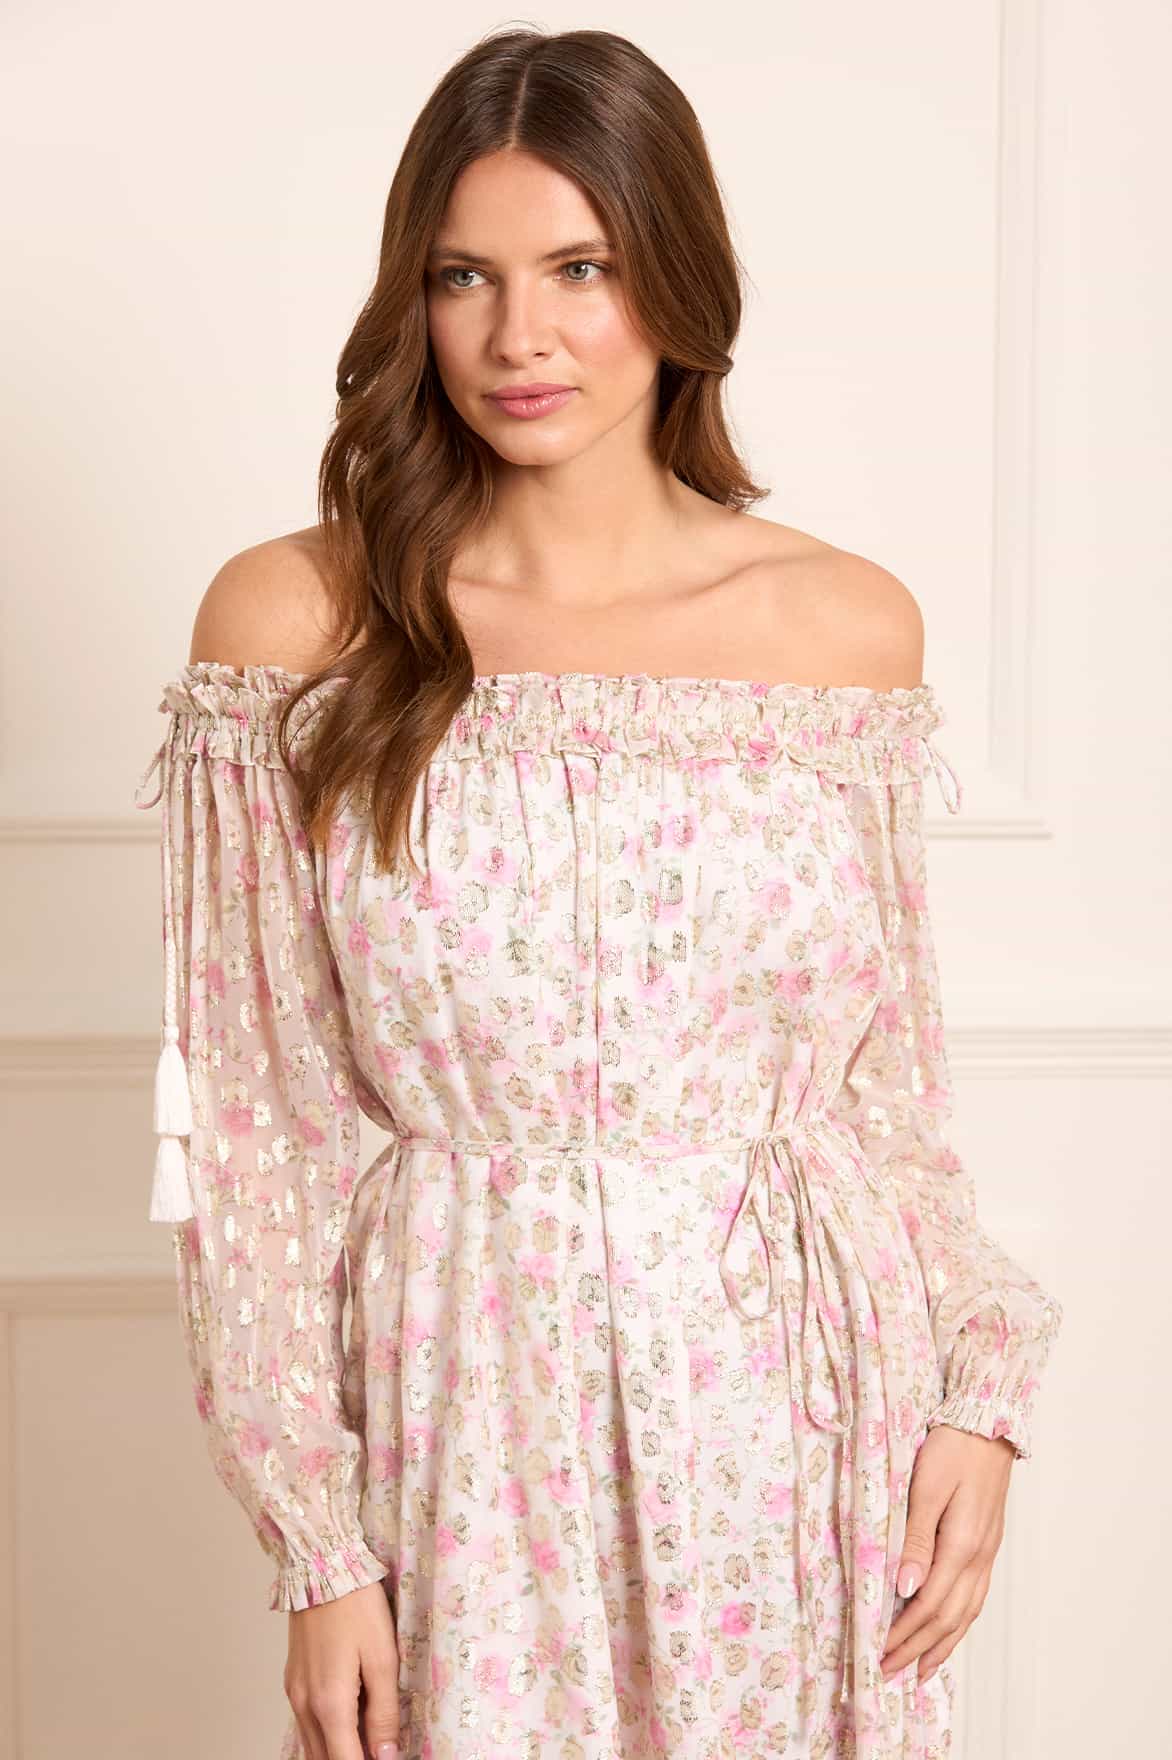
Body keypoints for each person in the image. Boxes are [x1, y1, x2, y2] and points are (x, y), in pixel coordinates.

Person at [133, 25, 1064, 1760]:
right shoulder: (293, 627)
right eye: (463, 276)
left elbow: (886, 1100)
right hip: (468, 1423)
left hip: (800, 1421)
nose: (520, 336)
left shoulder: (843, 630)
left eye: (582, 267)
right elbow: (259, 1130)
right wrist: (318, 1547)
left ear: (679, 282)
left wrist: (977, 1397)